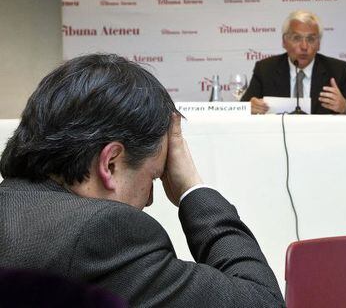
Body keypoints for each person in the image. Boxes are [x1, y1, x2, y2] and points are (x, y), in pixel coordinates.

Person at [0, 54, 285, 307]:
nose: (149, 199)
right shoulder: (102, 235)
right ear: (110, 163)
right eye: (155, 176)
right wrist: (191, 189)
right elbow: (263, 301)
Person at [241, 10, 346, 115]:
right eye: (296, 38)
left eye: (311, 39)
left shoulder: (337, 70)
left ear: (319, 44)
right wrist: (249, 108)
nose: (304, 46)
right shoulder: (265, 69)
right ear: (284, 42)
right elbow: (241, 108)